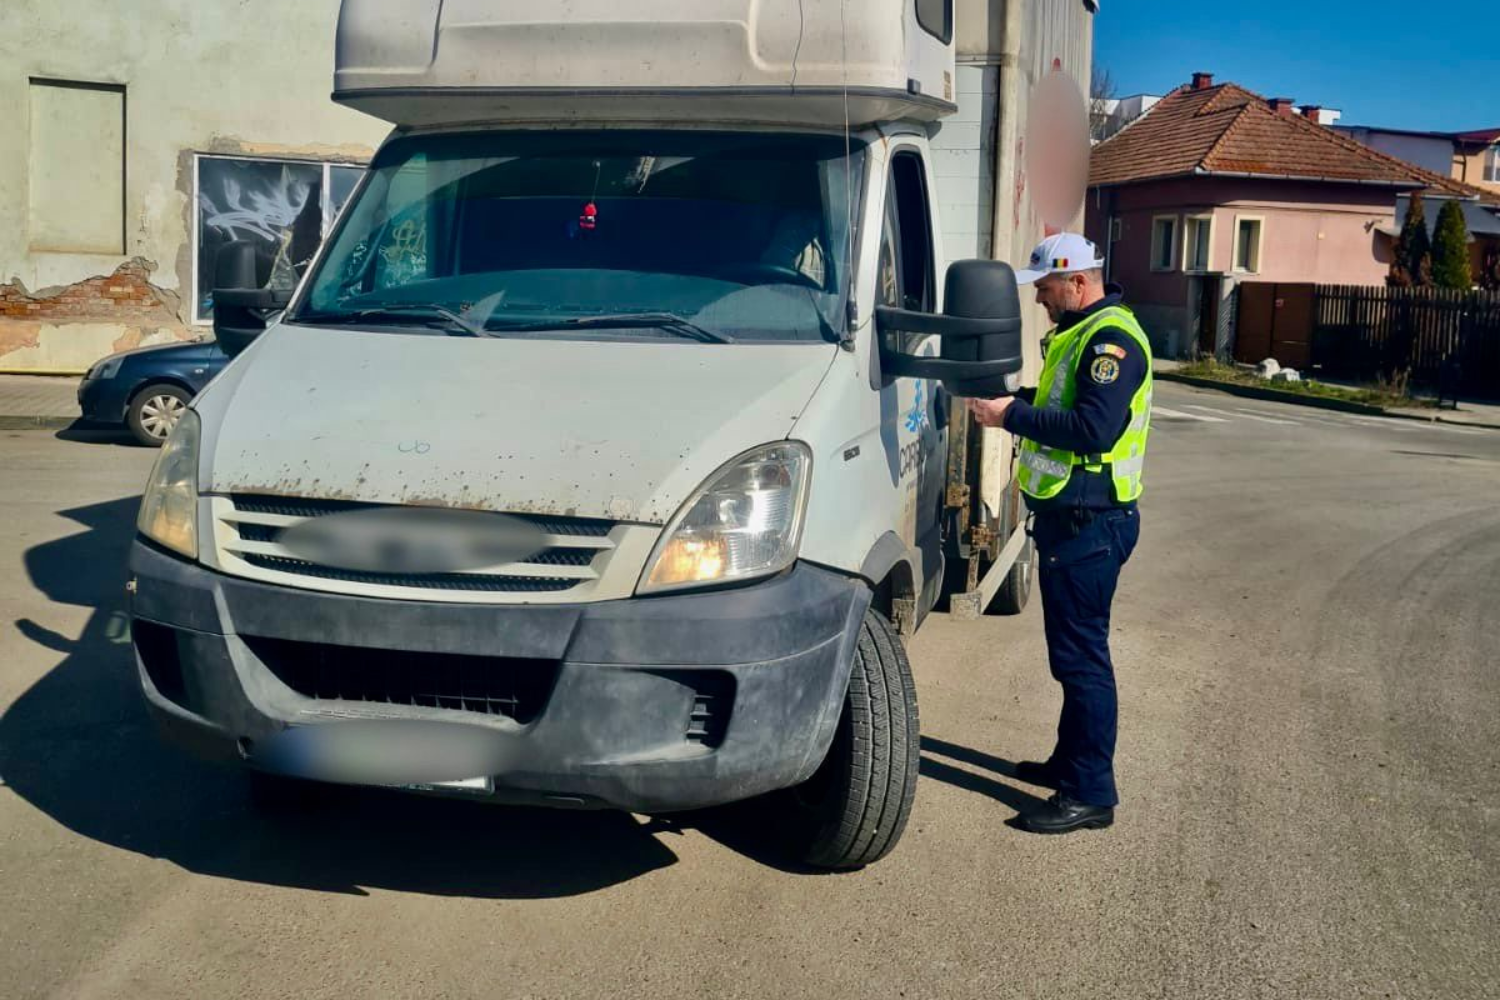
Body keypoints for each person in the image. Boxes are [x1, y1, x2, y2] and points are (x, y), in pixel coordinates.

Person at [967, 232, 1153, 835]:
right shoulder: (1081, 331)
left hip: (1090, 523)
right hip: (1074, 520)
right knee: (1071, 655)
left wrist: (1013, 417)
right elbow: (1062, 401)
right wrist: (1014, 401)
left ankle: (1090, 793)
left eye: (1045, 288)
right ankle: (1070, 763)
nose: (1039, 299)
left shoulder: (1110, 340)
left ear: (1077, 282)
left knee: (1082, 660)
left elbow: (1094, 428)